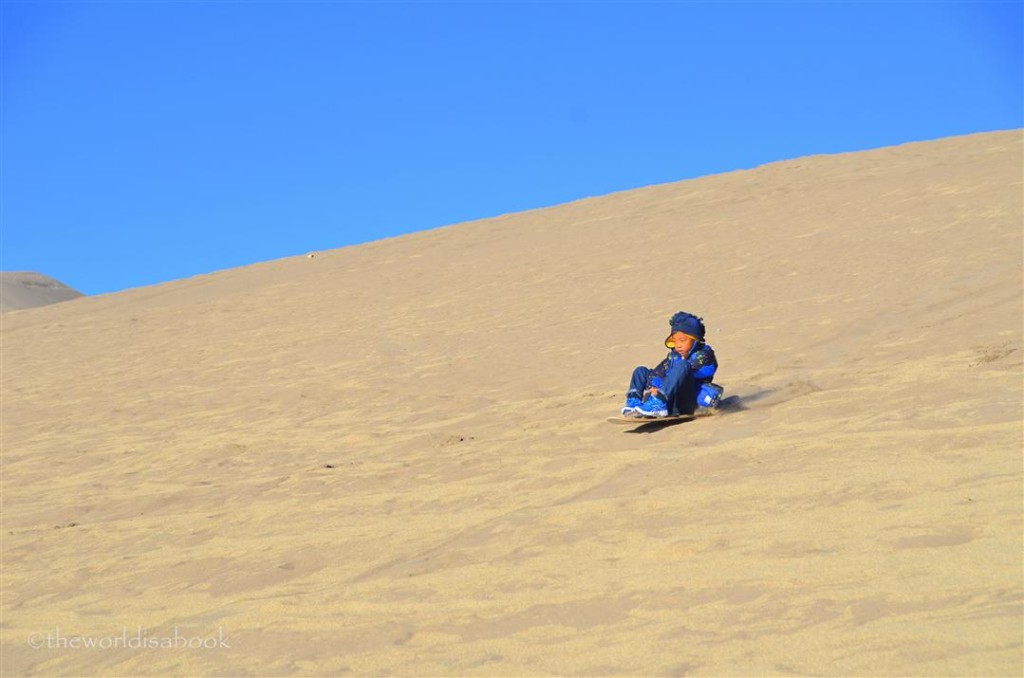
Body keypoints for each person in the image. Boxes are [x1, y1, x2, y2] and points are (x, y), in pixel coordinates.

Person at [621, 311, 722, 418]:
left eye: (682, 340)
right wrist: (653, 386)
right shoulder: (674, 356)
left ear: (695, 340)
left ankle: (658, 404)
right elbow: (659, 372)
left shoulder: (704, 355)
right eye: (675, 341)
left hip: (688, 401)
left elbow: (681, 372)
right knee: (640, 371)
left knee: (682, 365)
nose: (678, 345)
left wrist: (659, 389)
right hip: (670, 395)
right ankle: (634, 402)